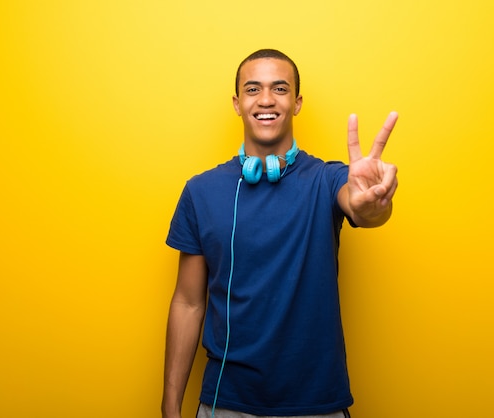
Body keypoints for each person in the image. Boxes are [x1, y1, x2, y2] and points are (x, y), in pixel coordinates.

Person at [162, 49, 398, 418]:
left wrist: (373, 204)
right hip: (226, 403)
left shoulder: (328, 178)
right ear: (237, 103)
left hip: (318, 404)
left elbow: (360, 206)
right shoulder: (201, 191)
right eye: (253, 89)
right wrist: (170, 406)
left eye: (280, 89)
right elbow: (188, 303)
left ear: (297, 102)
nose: (267, 100)